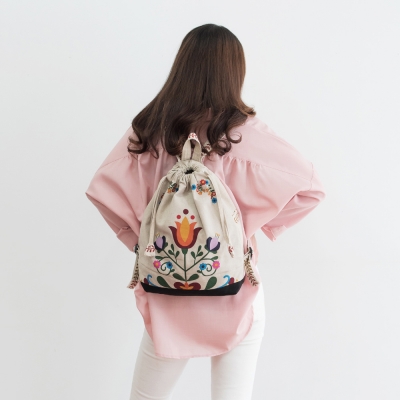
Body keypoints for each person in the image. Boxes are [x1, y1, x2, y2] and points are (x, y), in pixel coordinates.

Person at [85, 23, 326, 400]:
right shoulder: (244, 133)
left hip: (166, 290)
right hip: (234, 290)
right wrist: (252, 227)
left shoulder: (150, 129)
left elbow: (102, 188)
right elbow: (310, 188)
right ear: (234, 72)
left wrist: (141, 243)